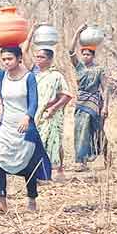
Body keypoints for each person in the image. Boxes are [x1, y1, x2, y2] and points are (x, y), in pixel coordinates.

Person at [0, 45, 50, 213]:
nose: (6, 62)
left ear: (19, 59)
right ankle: (1, 202)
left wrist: (28, 117)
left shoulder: (29, 78)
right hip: (5, 128)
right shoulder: (1, 76)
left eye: (10, 59)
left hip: (25, 129)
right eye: (4, 59)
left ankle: (32, 199)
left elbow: (34, 102)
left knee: (27, 165)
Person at [66, 25, 108, 171]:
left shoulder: (99, 70)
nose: (85, 56)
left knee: (96, 130)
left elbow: (105, 88)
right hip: (81, 102)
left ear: (93, 56)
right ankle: (82, 160)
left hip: (95, 103)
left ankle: (105, 155)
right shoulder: (79, 67)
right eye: (83, 54)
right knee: (80, 130)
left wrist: (106, 107)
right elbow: (71, 51)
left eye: (88, 54)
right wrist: (77, 32)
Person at [31, 47, 72, 178]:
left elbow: (66, 96)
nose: (38, 60)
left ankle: (59, 169)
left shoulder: (56, 76)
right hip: (38, 114)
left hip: (52, 115)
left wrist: (53, 108)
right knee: (39, 142)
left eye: (42, 57)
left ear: (50, 60)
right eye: (37, 57)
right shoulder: (34, 76)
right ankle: (41, 172)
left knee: (56, 142)